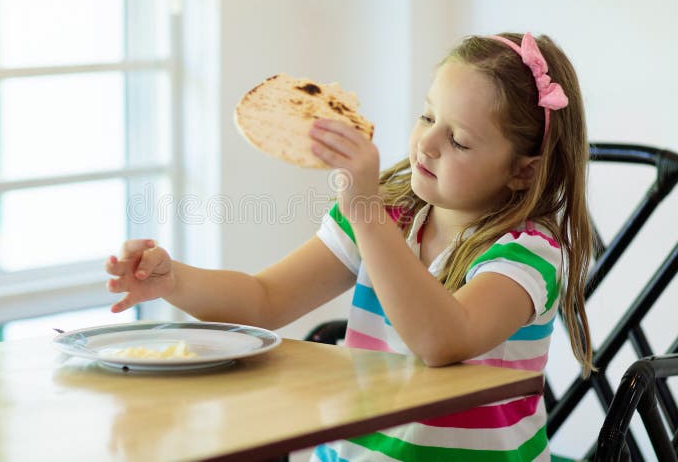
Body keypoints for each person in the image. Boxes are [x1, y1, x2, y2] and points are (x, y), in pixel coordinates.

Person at [105, 32, 593, 461]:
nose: (426, 144)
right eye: (427, 116)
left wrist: (365, 210)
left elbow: (443, 340)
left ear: (522, 169)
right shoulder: (388, 217)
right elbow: (264, 299)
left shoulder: (526, 253)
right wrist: (176, 280)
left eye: (459, 141)